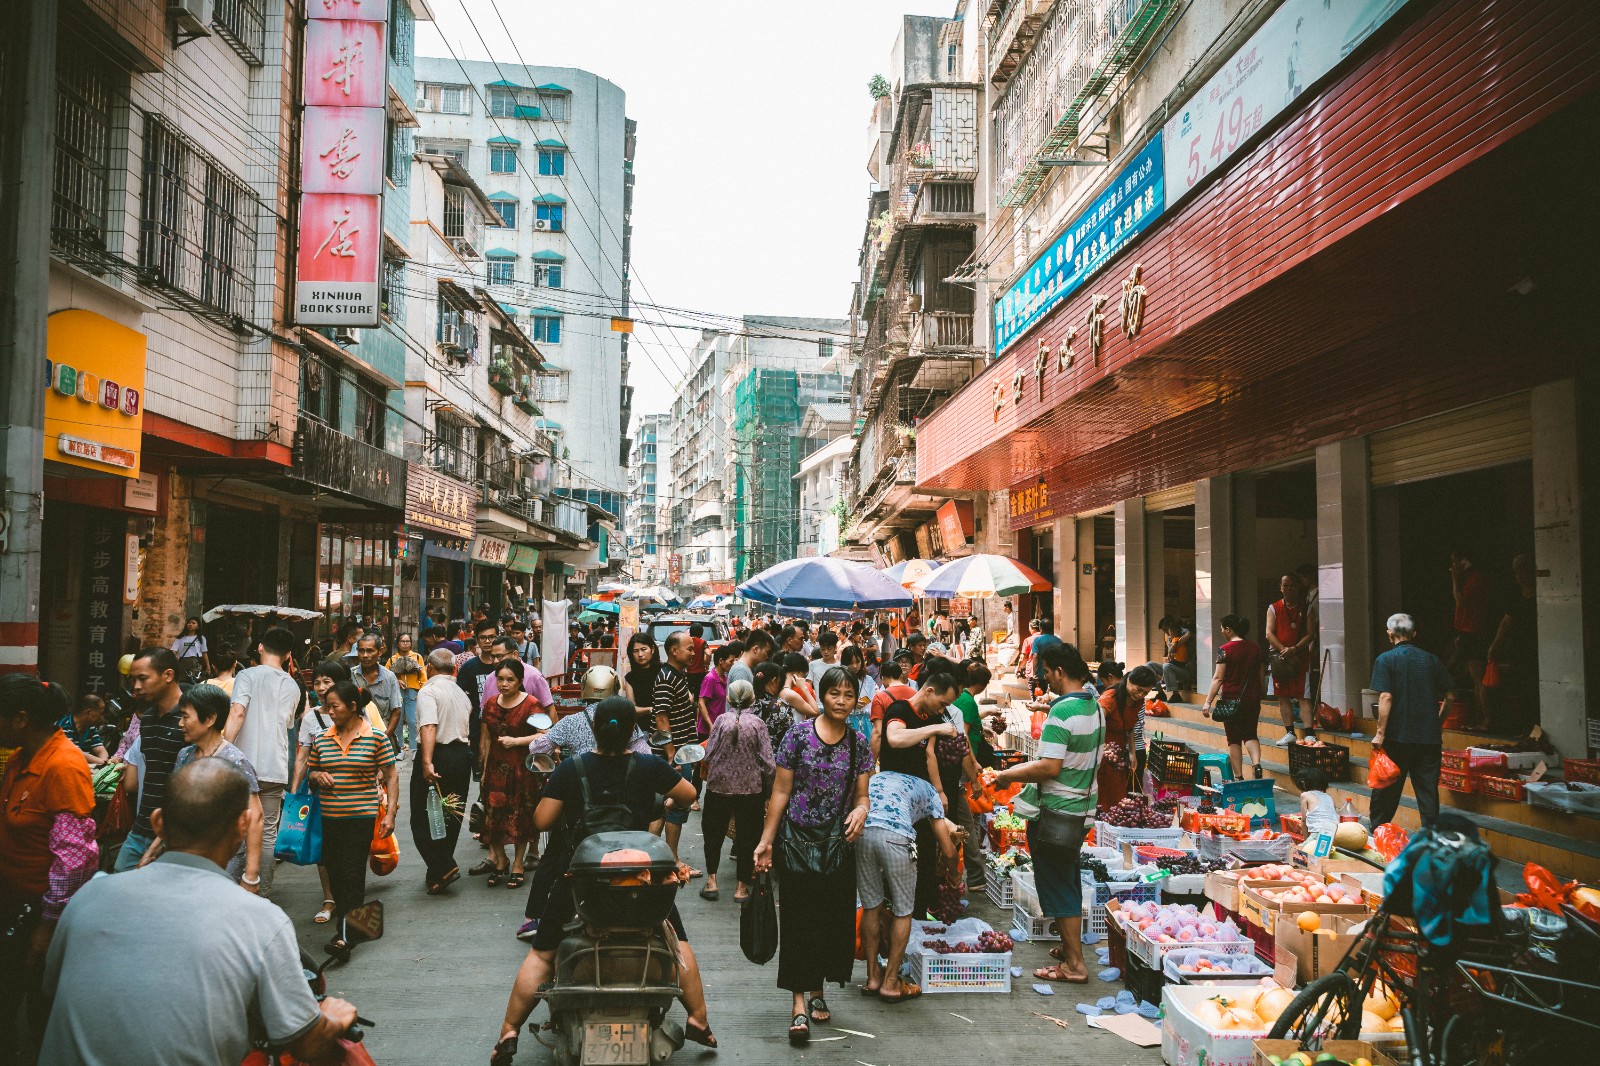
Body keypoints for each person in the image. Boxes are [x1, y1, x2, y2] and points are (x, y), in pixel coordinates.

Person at [40, 759, 356, 1063]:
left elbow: (50, 991)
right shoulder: (261, 920)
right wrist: (335, 1016)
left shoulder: (89, 896)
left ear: (158, 823)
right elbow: (306, 1042)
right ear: (243, 825)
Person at [493, 697, 713, 1065]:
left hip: (581, 882)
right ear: (633, 732)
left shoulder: (570, 769)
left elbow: (543, 822)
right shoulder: (649, 765)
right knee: (678, 942)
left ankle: (509, 1030)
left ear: (594, 729)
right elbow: (688, 795)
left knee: (542, 952)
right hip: (641, 882)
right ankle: (698, 1019)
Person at [753, 667, 872, 1045]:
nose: (841, 701)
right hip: (796, 844)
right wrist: (766, 841)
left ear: (856, 701)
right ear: (821, 696)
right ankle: (799, 1002)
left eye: (848, 695)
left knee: (831, 921)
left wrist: (861, 810)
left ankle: (819, 987)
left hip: (837, 846)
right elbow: (781, 792)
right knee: (799, 920)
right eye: (834, 693)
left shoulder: (859, 744)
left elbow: (863, 794)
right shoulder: (797, 736)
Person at [985, 642, 1103, 984]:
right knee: (1067, 878)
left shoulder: (1062, 714)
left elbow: (1049, 766)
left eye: (1047, 672)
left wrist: (1006, 774)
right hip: (1082, 810)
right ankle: (1070, 950)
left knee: (1058, 884)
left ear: (1060, 672)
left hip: (1057, 812)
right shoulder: (1095, 707)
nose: (1045, 679)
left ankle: (1075, 965)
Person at [0, 676, 97, 1063]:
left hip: (37, 908)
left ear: (21, 719)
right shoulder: (21, 757)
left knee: (38, 1002)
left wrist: (46, 927)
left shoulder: (64, 765)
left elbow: (72, 860)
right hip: (13, 897)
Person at [294, 679, 399, 957]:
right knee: (336, 874)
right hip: (329, 818)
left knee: (352, 873)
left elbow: (391, 775)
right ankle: (352, 925)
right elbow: (311, 771)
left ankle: (344, 936)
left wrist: (390, 815)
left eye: (335, 706)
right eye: (327, 707)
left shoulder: (375, 736)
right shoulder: (322, 739)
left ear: (353, 707)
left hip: (361, 816)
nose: (330, 712)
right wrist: (317, 776)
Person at [148, 684, 263, 889]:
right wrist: (153, 849)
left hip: (224, 861)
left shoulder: (235, 761)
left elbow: (255, 817)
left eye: (185, 717)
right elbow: (175, 811)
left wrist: (251, 876)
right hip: (186, 858)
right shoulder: (184, 755)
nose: (180, 723)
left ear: (209, 719)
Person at [858, 770, 957, 1003]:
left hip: (863, 832)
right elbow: (947, 848)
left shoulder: (879, 777)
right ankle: (891, 983)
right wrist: (953, 872)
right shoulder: (932, 793)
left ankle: (872, 977)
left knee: (871, 906)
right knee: (904, 911)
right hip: (896, 838)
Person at [224, 625, 301, 897]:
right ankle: (261, 892)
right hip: (275, 767)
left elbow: (237, 714)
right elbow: (287, 724)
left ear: (259, 648)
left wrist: (221, 749)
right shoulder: (293, 685)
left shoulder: (246, 676)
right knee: (267, 834)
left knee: (237, 829)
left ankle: (234, 890)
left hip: (242, 767)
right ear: (288, 654)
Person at [1369, 612, 1452, 829]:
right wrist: (1438, 723)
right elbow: (1450, 696)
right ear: (1414, 633)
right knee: (1428, 793)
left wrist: (1380, 733)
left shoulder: (1385, 660)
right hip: (1428, 738)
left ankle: (1379, 832)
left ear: (1389, 634)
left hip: (1396, 737)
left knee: (1387, 789)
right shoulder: (1431, 660)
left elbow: (1386, 696)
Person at [699, 679, 772, 903]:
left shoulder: (721, 720)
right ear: (752, 699)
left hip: (719, 787)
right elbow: (769, 763)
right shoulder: (758, 724)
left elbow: (708, 754)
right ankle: (741, 888)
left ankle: (712, 881)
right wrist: (768, 791)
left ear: (729, 699)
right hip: (750, 790)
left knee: (713, 834)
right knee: (747, 837)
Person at [115, 648, 186, 872]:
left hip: (176, 835)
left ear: (168, 675)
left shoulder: (190, 717)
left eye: (142, 678)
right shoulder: (147, 721)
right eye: (133, 679)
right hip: (141, 827)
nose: (135, 687)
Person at [478, 661, 545, 887]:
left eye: (510, 680)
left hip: (521, 769)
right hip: (495, 768)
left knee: (520, 816)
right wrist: (484, 769)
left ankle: (517, 863)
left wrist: (516, 741)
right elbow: (486, 738)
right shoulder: (490, 704)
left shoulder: (531, 704)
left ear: (520, 681)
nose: (504, 684)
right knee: (493, 817)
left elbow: (544, 734)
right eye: (501, 679)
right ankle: (500, 861)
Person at [413, 648, 475, 894]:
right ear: (454, 669)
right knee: (450, 814)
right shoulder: (461, 693)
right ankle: (438, 872)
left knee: (421, 816)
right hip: (461, 757)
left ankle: (444, 864)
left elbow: (429, 726)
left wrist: (427, 763)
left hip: (438, 754)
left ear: (429, 666)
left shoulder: (428, 691)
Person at [653, 631, 701, 866]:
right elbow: (661, 718)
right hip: (675, 755)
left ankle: (661, 856)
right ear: (674, 650)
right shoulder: (666, 677)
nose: (693, 652)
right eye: (689, 648)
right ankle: (671, 859)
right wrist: (673, 755)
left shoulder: (677, 674)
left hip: (683, 751)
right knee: (677, 806)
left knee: (667, 805)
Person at [1201, 614, 1267, 779]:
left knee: (1234, 739)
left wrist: (1208, 702)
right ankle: (1256, 765)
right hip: (1252, 698)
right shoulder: (1255, 649)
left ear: (1229, 629)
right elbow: (1261, 675)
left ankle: (1238, 776)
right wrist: (1259, 694)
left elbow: (1218, 678)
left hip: (1231, 700)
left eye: (1223, 628)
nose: (1221, 631)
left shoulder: (1225, 650)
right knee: (1251, 734)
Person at [1486, 553, 1539, 734]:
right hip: (1520, 647)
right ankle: (1524, 726)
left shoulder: (1543, 591)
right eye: (1516, 573)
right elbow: (1507, 621)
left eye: (1522, 571)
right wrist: (1495, 644)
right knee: (1520, 688)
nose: (1519, 576)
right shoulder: (1515, 596)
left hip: (1539, 646)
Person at [1098, 665, 1157, 806]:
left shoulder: (1137, 701)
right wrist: (1103, 747)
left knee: (1118, 793)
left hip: (1118, 754)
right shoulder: (1110, 698)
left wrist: (1132, 752)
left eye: (1145, 693)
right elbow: (1095, 724)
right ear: (1129, 680)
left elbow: (1129, 728)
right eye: (1139, 690)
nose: (1140, 695)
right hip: (1103, 751)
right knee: (1103, 794)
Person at [1450, 546, 1492, 727]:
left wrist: (1454, 578)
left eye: (1455, 562)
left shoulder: (1476, 579)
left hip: (1474, 633)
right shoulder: (1471, 579)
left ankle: (1487, 719)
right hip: (1467, 633)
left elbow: (1460, 600)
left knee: (1479, 679)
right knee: (1475, 679)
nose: (1452, 566)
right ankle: (1478, 717)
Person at [354, 634, 404, 747]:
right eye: (361, 651)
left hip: (382, 734)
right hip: (356, 738)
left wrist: (384, 738)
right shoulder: (351, 675)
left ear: (380, 652)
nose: (365, 655)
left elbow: (396, 711)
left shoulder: (390, 677)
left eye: (370, 651)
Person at [388, 632, 426, 756]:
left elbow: (423, 676)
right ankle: (399, 748)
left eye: (407, 641)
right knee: (397, 721)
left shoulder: (417, 657)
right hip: (397, 692)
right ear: (398, 644)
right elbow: (387, 675)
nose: (405, 644)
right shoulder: (392, 659)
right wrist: (397, 680)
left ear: (411, 643)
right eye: (402, 641)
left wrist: (421, 690)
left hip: (413, 692)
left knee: (413, 720)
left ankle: (414, 748)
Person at [753, 661, 802, 752]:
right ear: (774, 681)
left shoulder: (747, 701)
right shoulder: (781, 706)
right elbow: (792, 734)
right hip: (773, 755)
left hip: (751, 756)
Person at [698, 642, 737, 738]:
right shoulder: (710, 678)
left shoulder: (726, 678)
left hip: (721, 728)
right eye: (730, 661)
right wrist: (711, 726)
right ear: (721, 661)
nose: (732, 664)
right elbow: (701, 703)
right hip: (708, 731)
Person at [58, 693, 110, 766]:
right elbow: (75, 753)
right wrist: (102, 762)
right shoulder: (63, 726)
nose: (101, 717)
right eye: (100, 714)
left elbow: (100, 750)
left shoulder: (91, 727)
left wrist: (103, 760)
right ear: (89, 712)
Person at [840, 644, 876, 742]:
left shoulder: (868, 680)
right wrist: (852, 704)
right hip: (845, 721)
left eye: (858, 662)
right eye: (851, 663)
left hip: (865, 722)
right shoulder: (839, 680)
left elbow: (873, 700)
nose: (855, 666)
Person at [1154, 617, 1196, 701]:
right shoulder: (1169, 637)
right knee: (1150, 665)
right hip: (1173, 667)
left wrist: (1175, 645)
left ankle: (1175, 694)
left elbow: (1189, 634)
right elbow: (1171, 656)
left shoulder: (1183, 632)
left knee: (1167, 666)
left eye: (1166, 630)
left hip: (1185, 669)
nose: (1166, 633)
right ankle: (1160, 692)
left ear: (1170, 627)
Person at [1292, 765, 1338, 840]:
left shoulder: (1305, 795)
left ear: (1303, 783)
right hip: (1334, 835)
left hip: (1318, 834)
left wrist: (1305, 842)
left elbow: (1304, 820)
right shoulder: (1329, 797)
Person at [170, 616, 211, 682]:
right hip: (182, 662)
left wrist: (208, 667)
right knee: (181, 681)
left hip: (195, 662)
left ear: (198, 626)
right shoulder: (180, 638)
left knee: (194, 681)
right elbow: (173, 650)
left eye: (193, 623)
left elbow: (204, 653)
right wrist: (175, 657)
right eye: (189, 623)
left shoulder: (201, 638)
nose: (190, 624)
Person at [1029, 619, 1063, 695]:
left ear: (1041, 629)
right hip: (1055, 676)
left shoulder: (1038, 640)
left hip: (1040, 676)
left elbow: (1035, 656)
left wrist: (1034, 673)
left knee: (1038, 698)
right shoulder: (1059, 641)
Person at [781, 651, 819, 717]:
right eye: (804, 676)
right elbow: (816, 712)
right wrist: (804, 688)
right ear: (800, 673)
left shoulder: (780, 688)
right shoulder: (790, 694)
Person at [686, 621, 710, 697]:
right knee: (699, 694)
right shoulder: (702, 642)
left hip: (688, 672)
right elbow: (709, 653)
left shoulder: (686, 641)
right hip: (700, 672)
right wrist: (706, 663)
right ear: (701, 633)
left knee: (688, 693)